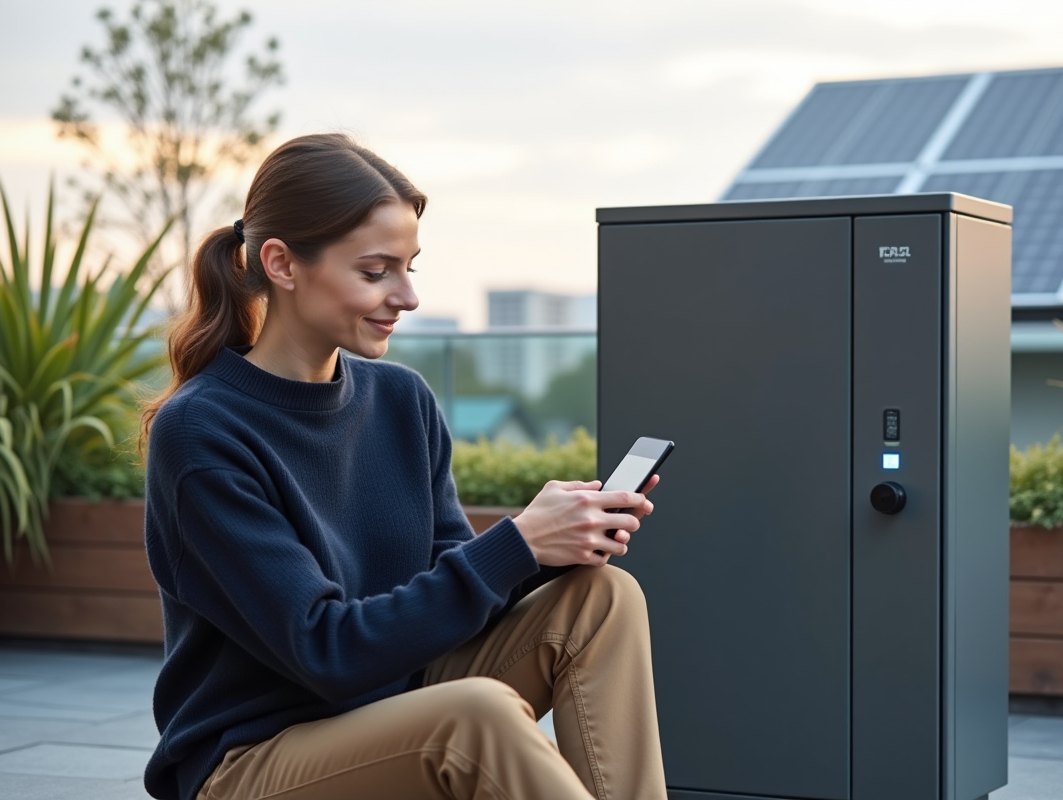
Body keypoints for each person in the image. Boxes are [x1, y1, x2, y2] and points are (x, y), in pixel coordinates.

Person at [140, 133, 669, 800]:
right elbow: (326, 652)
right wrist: (517, 542)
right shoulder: (203, 431)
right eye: (375, 271)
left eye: (409, 267)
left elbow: (449, 590)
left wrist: (550, 546)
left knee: (602, 598)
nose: (407, 296)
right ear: (281, 263)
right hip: (254, 761)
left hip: (394, 705)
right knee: (474, 717)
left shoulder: (401, 400)